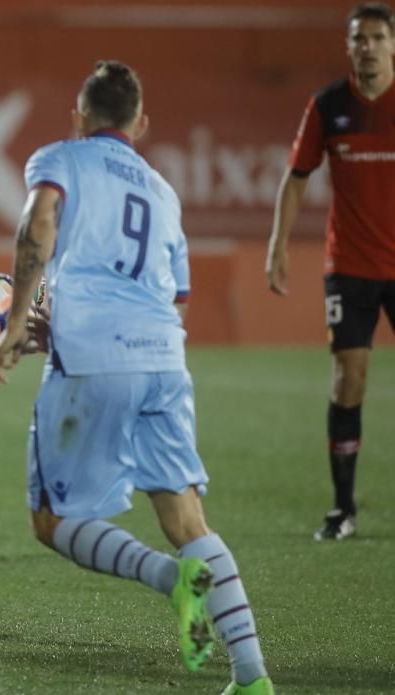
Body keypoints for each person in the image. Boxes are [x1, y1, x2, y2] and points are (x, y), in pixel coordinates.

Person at [0, 62, 274, 695]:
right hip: (164, 357)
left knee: (51, 521)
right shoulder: (164, 191)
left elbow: (40, 220)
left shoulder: (61, 157)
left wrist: (17, 320)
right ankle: (252, 678)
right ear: (139, 124)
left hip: (95, 354)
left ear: (80, 117)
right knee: (186, 520)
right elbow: (178, 300)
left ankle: (173, 582)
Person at [266, 2, 395, 542]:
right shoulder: (329, 106)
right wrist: (278, 243)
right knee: (349, 378)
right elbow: (297, 177)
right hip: (350, 266)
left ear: (392, 45)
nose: (366, 46)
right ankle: (343, 509)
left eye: (375, 37)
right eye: (357, 38)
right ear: (349, 46)